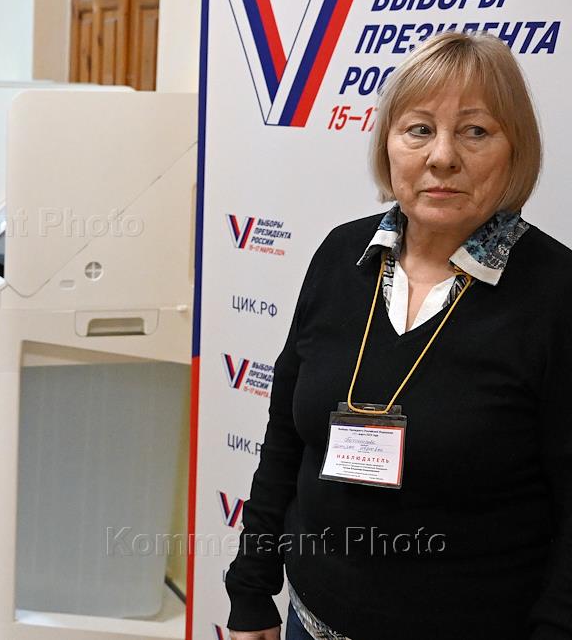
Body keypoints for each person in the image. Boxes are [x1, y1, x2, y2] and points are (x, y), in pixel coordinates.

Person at [226, 31, 572, 640]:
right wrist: (251, 585)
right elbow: (285, 438)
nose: (442, 157)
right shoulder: (341, 255)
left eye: (475, 131)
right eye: (419, 130)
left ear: (517, 150)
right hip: (311, 619)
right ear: (388, 145)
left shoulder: (555, 293)